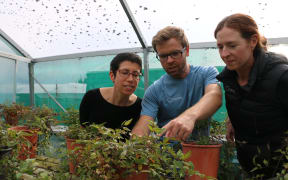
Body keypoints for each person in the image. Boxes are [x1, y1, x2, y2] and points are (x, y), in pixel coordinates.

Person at [215, 13, 288, 178]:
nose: (224, 54)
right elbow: (253, 100)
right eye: (220, 47)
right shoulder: (230, 78)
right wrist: (233, 118)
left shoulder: (281, 77)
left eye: (232, 45)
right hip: (250, 169)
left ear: (253, 41)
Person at [132, 26, 222, 141]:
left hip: (199, 152)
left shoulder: (206, 74)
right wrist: (133, 147)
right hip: (166, 156)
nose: (169, 60)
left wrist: (189, 117)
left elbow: (215, 96)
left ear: (187, 50)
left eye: (175, 53)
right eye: (163, 56)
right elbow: (144, 126)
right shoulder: (154, 90)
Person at [79, 52, 142, 132]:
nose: (130, 79)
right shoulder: (92, 97)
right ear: (112, 75)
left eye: (135, 74)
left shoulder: (140, 106)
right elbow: (82, 131)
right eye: (125, 73)